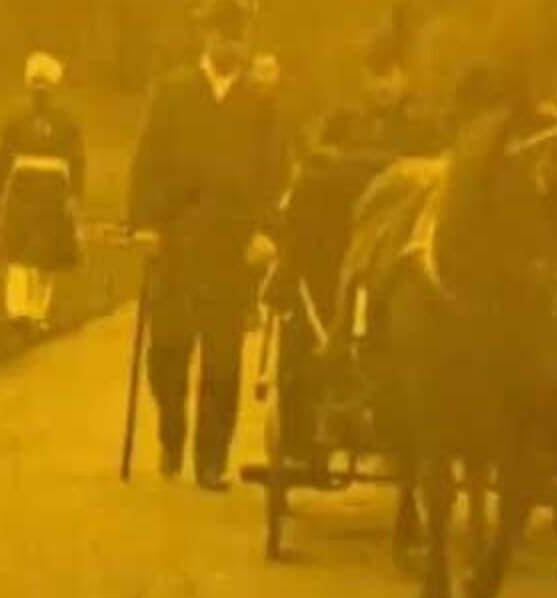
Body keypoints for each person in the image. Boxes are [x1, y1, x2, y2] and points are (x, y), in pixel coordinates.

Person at [264, 19, 439, 468]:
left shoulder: (425, 128)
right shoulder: (343, 123)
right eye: (373, 76)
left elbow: (431, 179)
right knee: (304, 321)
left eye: (390, 75)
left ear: (406, 78)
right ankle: (306, 436)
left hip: (401, 252)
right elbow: (315, 174)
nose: (381, 86)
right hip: (340, 251)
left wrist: (354, 165)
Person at [128, 0, 288, 492]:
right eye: (224, 33)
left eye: (239, 35)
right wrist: (147, 224)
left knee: (222, 361)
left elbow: (275, 174)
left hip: (231, 246)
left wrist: (267, 231)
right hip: (177, 241)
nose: (231, 45)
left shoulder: (261, 105)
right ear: (206, 35)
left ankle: (212, 458)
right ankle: (172, 431)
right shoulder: (174, 92)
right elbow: (148, 161)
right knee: (168, 352)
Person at [0, 51, 85, 336]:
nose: (40, 91)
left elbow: (77, 162)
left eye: (45, 85)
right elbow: (2, 158)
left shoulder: (66, 123)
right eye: (35, 85)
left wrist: (75, 196)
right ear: (29, 87)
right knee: (19, 252)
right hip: (24, 191)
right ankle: (17, 310)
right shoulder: (16, 120)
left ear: (53, 88)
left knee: (47, 259)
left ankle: (38, 312)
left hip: (54, 193)